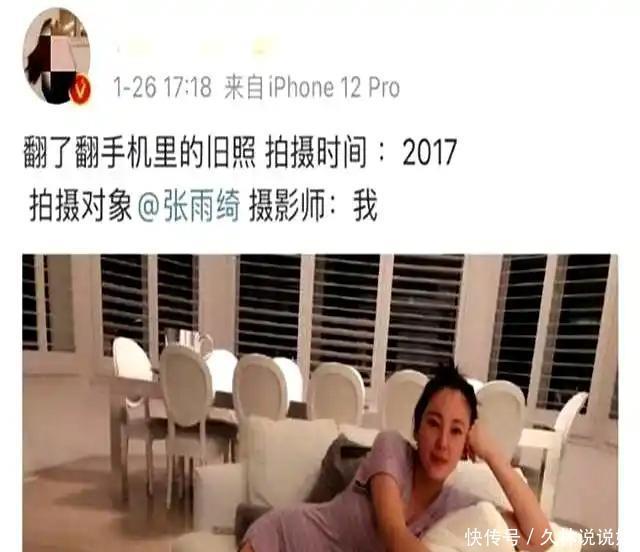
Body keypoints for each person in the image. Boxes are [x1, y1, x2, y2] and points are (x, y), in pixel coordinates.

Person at [240, 361, 553, 552]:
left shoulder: (459, 507)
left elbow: (540, 540)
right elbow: (393, 535)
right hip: (282, 539)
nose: (442, 442)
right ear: (417, 428)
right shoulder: (391, 450)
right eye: (433, 424)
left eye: (457, 431)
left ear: (466, 444)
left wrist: (493, 454)